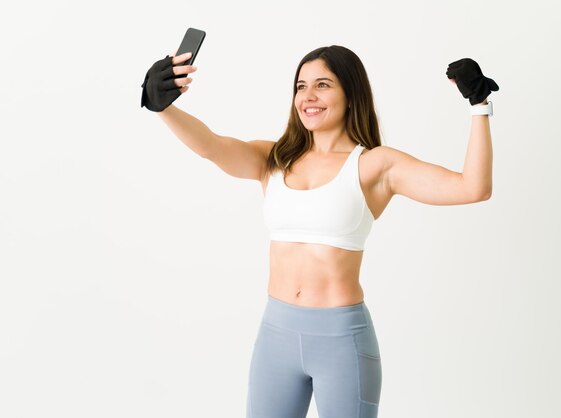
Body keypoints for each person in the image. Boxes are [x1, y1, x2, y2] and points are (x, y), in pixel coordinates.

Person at [141, 45, 497, 418]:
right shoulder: (274, 158)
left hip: (341, 341)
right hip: (274, 335)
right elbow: (211, 147)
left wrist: (479, 106)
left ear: (350, 93)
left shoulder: (375, 165)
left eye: (323, 85)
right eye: (301, 86)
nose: (308, 97)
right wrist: (162, 107)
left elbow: (473, 188)